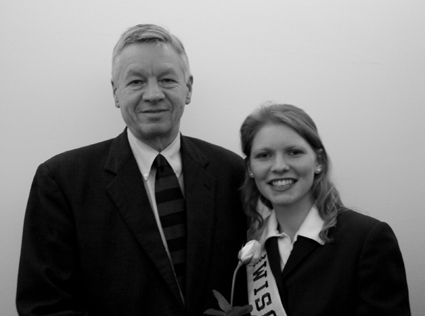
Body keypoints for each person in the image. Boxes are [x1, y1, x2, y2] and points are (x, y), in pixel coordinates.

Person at [16, 24, 248, 316]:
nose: (153, 94)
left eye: (166, 79)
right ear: (116, 93)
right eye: (136, 82)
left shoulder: (232, 173)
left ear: (188, 89)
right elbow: (44, 306)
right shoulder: (61, 181)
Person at [239, 102, 410, 315]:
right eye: (264, 155)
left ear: (318, 160)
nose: (279, 166)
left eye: (294, 152)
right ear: (250, 168)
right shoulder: (251, 244)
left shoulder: (366, 239)